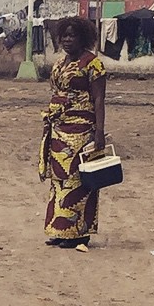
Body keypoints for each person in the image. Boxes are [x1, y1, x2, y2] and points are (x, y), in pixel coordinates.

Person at [38, 16, 107, 249]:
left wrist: (99, 133)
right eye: (64, 35)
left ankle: (78, 233)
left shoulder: (93, 64)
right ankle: (60, 229)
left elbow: (99, 99)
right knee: (58, 179)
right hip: (59, 129)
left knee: (77, 180)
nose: (67, 40)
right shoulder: (60, 63)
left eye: (72, 35)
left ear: (83, 38)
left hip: (82, 129)